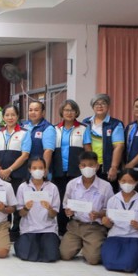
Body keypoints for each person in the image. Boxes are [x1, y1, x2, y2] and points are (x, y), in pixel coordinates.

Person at [60, 151, 113, 265]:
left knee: (93, 259)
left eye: (91, 165)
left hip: (94, 227)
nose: (87, 168)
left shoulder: (106, 186)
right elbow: (66, 204)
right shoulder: (72, 184)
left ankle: (89, 245)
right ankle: (82, 243)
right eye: (83, 165)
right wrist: (68, 211)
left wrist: (99, 214)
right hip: (75, 225)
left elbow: (110, 209)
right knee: (64, 254)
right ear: (79, 166)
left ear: (97, 166)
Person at [52, 99, 91, 234]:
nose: (69, 113)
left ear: (76, 112)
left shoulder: (83, 128)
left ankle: (77, 230)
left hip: (76, 171)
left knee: (77, 200)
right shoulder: (55, 129)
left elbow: (88, 150)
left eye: (72, 110)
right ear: (62, 112)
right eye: (66, 110)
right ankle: (62, 231)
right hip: (59, 171)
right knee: (61, 201)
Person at [0, 104, 31, 241]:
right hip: (0, 175)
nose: (10, 118)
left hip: (17, 174)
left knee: (16, 203)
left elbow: (25, 155)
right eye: (7, 115)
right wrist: (0, 171)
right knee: (2, 203)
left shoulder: (24, 133)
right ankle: (3, 230)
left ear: (18, 116)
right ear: (3, 117)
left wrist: (9, 170)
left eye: (13, 115)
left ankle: (16, 231)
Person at [15, 158, 61, 263]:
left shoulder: (52, 187)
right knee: (26, 255)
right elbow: (21, 213)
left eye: (41, 168)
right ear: (29, 170)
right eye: (34, 168)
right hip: (29, 228)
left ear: (45, 169)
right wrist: (26, 208)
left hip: (48, 229)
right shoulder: (23, 187)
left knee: (51, 256)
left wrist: (49, 208)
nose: (38, 170)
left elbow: (53, 214)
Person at [100, 169, 138, 272]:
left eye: (130, 181)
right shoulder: (113, 200)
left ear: (136, 182)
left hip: (133, 237)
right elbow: (110, 225)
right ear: (119, 181)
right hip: (115, 235)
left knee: (129, 265)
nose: (127, 184)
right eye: (124, 181)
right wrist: (106, 223)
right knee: (109, 263)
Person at [82, 93, 125, 184]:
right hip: (90, 166)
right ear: (93, 107)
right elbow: (85, 144)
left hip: (107, 168)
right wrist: (92, 162)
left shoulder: (115, 124)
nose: (100, 106)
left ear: (108, 106)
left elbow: (119, 147)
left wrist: (114, 167)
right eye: (96, 104)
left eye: (103, 103)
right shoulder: (86, 123)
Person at [23, 100, 55, 171]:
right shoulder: (23, 125)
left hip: (39, 168)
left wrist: (45, 169)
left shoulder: (47, 128)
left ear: (43, 112)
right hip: (25, 167)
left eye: (36, 110)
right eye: (30, 110)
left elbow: (48, 151)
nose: (33, 112)